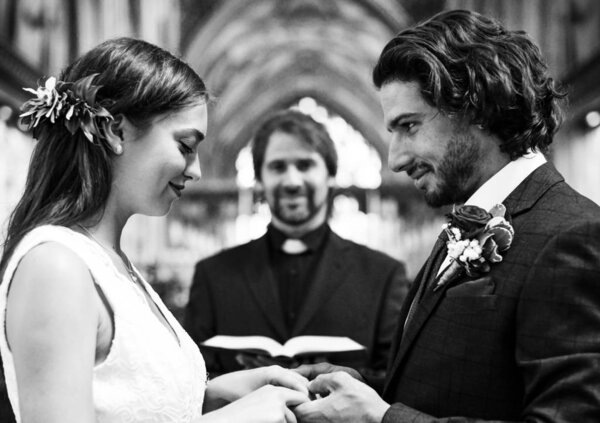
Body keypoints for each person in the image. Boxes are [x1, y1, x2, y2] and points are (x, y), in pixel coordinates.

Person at [293, 9, 600, 423]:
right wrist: (360, 387)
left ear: (475, 107)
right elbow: (454, 382)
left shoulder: (573, 235)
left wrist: (382, 419)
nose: (396, 159)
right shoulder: (468, 218)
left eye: (409, 126)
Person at [0, 37, 310, 423]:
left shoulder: (110, 262)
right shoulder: (55, 268)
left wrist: (212, 395)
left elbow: (127, 402)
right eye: (185, 146)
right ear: (115, 131)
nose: (195, 170)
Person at [184, 110, 409, 376]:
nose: (292, 181)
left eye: (305, 165)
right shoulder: (214, 274)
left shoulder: (382, 275)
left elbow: (395, 379)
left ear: (330, 176)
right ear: (259, 180)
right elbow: (191, 380)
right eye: (278, 167)